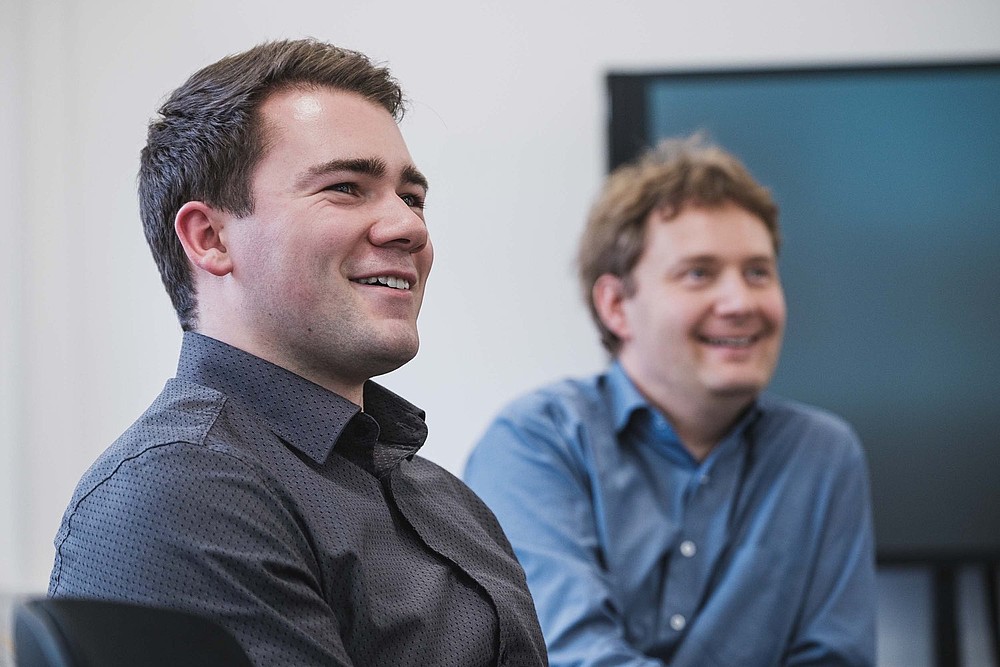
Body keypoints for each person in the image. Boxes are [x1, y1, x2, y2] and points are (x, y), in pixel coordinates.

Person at [48, 38, 547, 667]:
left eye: (412, 197)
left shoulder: (443, 499)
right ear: (209, 238)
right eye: (345, 187)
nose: (409, 226)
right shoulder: (183, 492)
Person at [464, 136, 876, 666]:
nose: (741, 302)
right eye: (699, 273)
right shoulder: (535, 441)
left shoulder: (822, 454)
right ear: (616, 306)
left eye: (758, 272)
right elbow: (572, 657)